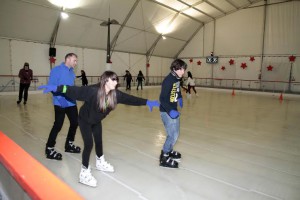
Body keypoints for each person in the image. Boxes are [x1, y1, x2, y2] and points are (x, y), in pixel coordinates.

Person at [39, 70, 160, 187]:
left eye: (116, 80)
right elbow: (74, 90)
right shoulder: (93, 91)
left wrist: (147, 102)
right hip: (85, 119)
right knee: (89, 144)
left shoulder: (115, 94)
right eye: (113, 80)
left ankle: (100, 162)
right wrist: (57, 88)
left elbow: (130, 99)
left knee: (99, 141)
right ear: (106, 81)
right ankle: (84, 172)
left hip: (96, 120)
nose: (116, 82)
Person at [45, 53, 81, 161]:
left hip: (71, 102)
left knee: (75, 123)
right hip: (60, 102)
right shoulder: (56, 70)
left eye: (76, 61)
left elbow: (70, 88)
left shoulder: (72, 72)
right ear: (68, 59)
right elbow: (52, 87)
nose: (76, 63)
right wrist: (61, 99)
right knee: (58, 125)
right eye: (74, 60)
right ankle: (49, 148)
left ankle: (69, 145)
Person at [159, 59, 187, 168]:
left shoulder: (176, 78)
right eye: (181, 69)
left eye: (184, 69)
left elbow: (177, 89)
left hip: (174, 110)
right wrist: (170, 110)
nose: (183, 72)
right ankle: (164, 156)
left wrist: (179, 97)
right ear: (175, 69)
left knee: (176, 134)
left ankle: (169, 151)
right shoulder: (168, 80)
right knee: (172, 135)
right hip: (167, 111)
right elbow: (162, 98)